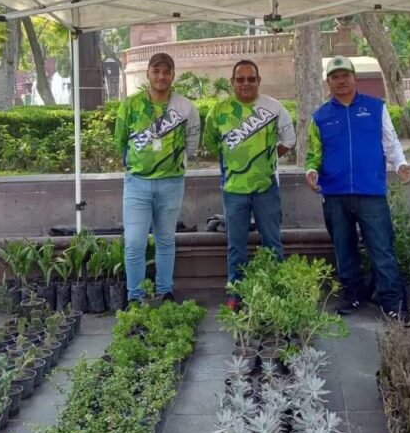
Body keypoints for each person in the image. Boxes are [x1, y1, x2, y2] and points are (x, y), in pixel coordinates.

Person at [305, 56, 410, 319]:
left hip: (371, 192)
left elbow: (391, 144)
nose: (341, 81)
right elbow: (313, 155)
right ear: (328, 82)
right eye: (335, 77)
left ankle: (392, 303)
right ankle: (353, 295)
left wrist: (400, 165)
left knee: (382, 249)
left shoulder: (376, 108)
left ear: (354, 78)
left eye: (345, 75)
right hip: (335, 194)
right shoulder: (319, 117)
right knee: (344, 250)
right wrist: (311, 172)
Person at [204, 59, 296, 307]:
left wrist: (266, 158)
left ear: (259, 81)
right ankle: (236, 295)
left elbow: (289, 140)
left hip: (266, 188)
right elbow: (211, 144)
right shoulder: (218, 111)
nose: (246, 83)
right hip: (234, 190)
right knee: (236, 247)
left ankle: (275, 293)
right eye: (240, 79)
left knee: (272, 243)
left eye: (251, 79)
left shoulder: (274, 107)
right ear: (232, 82)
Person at [114, 52, 200, 303]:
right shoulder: (130, 105)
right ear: (148, 73)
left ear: (173, 75)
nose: (161, 76)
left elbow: (192, 143)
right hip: (137, 184)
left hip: (171, 183)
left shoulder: (185, 107)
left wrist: (175, 161)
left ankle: (165, 292)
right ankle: (135, 298)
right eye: (156, 71)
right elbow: (120, 141)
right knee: (134, 243)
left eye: (166, 71)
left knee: (165, 240)